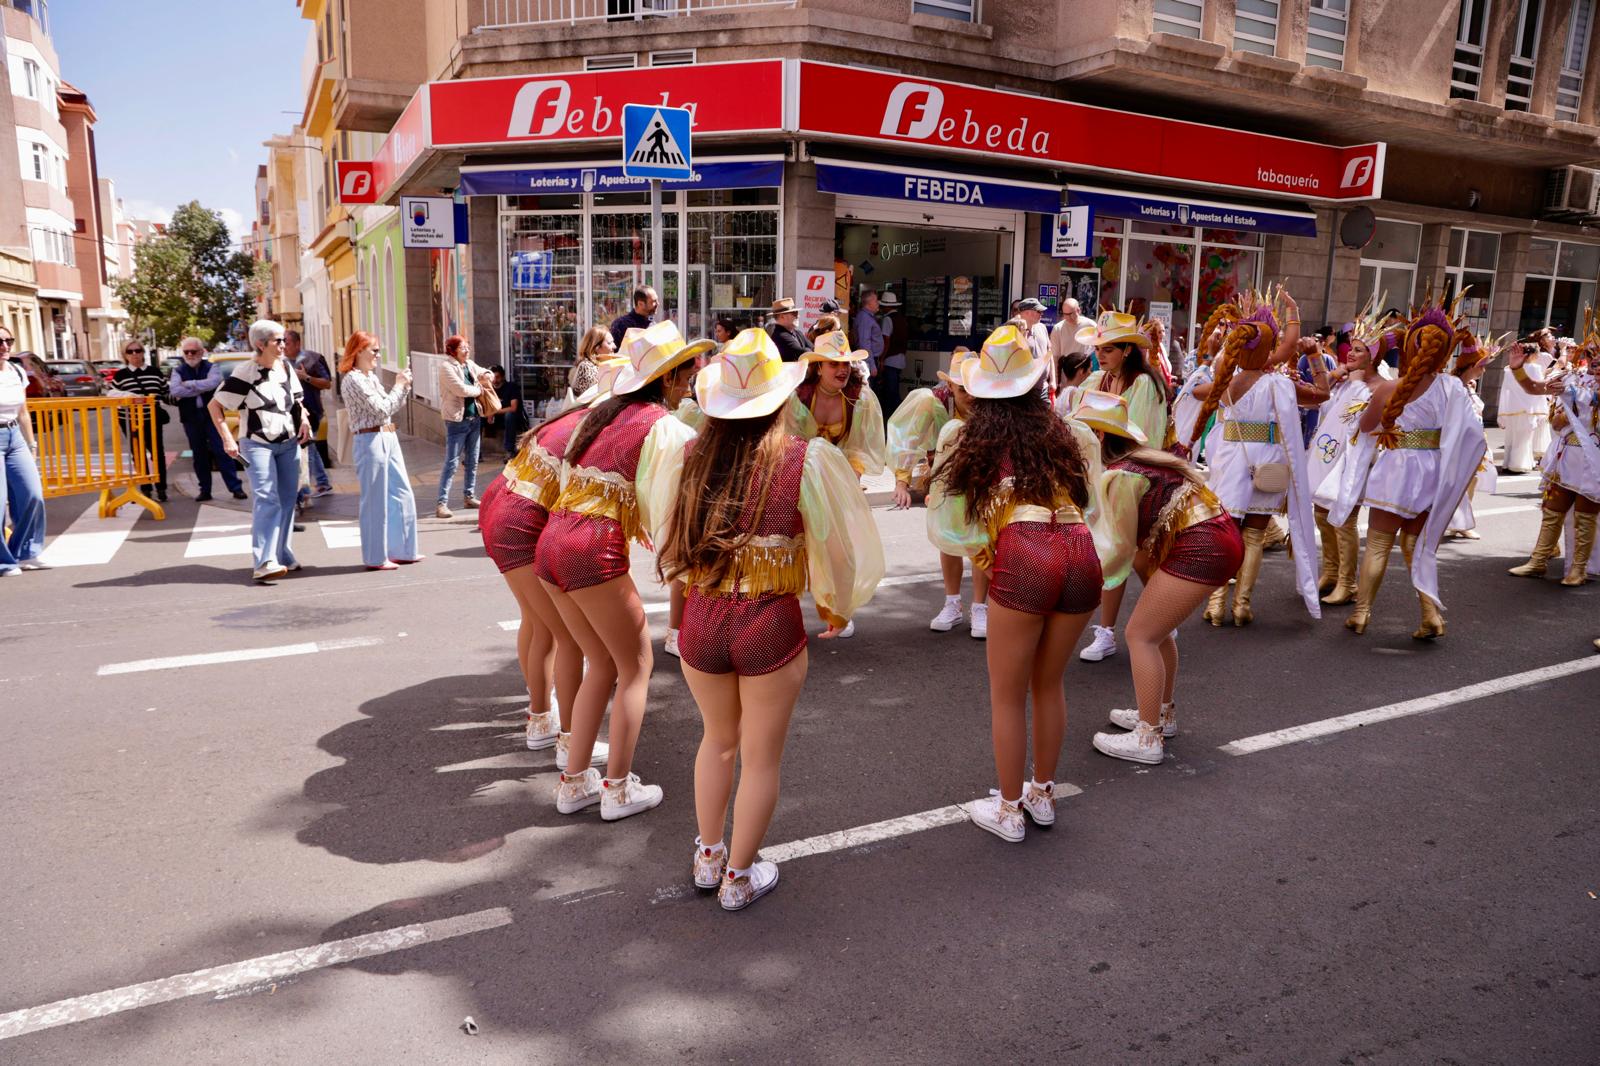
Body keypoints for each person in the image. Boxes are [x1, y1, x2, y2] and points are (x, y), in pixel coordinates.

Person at [661, 327, 883, 910]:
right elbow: (838, 549)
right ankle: (738, 876)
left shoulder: (687, 456)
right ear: (781, 399)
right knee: (760, 757)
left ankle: (708, 856)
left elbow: (673, 544)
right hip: (769, 622)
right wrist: (836, 607)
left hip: (704, 620)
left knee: (717, 741)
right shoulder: (807, 459)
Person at [928, 324, 1101, 843]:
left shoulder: (968, 439)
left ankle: (1008, 809)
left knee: (1007, 695)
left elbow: (951, 526)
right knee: (1049, 685)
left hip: (1025, 553)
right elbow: (1089, 502)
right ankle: (1042, 796)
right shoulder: (1067, 433)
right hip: (1079, 549)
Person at [535, 321, 698, 822]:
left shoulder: (601, 413)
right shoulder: (664, 425)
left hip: (553, 542)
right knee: (635, 668)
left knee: (600, 663)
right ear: (669, 378)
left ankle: (574, 782)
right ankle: (618, 788)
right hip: (591, 548)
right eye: (688, 370)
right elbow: (671, 500)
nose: (693, 379)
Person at [1078, 391, 1242, 765]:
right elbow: (1136, 550)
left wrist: (1075, 584)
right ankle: (1160, 714)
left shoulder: (1119, 474)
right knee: (1157, 631)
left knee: (1140, 635)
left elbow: (1116, 550)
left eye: (1079, 434)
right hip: (1217, 539)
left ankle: (1148, 737)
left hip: (1202, 546)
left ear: (1098, 437)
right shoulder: (1140, 462)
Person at [482, 355, 628, 766]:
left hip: (500, 507)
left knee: (537, 622)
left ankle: (539, 719)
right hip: (521, 522)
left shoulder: (567, 418)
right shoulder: (594, 426)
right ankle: (568, 738)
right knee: (567, 637)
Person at [1330, 300, 1487, 639]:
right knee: (1418, 545)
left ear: (1408, 346)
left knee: (1377, 544)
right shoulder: (1453, 388)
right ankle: (1431, 615)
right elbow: (1472, 433)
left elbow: (1367, 427)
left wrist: (1379, 423)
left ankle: (1361, 613)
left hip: (1395, 470)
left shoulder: (1388, 388)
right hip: (1432, 472)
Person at [1184, 291, 1325, 627]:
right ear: (1268, 350)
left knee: (1227, 534)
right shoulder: (1280, 385)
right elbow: (1322, 394)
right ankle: (1242, 606)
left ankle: (1216, 605)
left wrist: (1212, 358)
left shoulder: (1225, 384)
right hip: (1270, 464)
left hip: (1231, 461)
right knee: (1254, 536)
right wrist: (1314, 355)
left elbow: (1194, 391)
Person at [1072, 310, 1173, 661]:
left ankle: (1112, 631)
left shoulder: (1145, 384)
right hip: (1100, 476)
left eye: (1110, 348)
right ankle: (1126, 626)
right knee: (1120, 554)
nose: (1101, 355)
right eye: (1099, 348)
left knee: (1125, 554)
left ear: (1128, 350)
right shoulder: (1095, 381)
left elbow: (1140, 438)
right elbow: (1073, 418)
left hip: (1133, 478)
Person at [889, 348, 990, 637]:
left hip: (982, 476)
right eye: (962, 389)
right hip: (944, 480)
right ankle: (952, 603)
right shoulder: (933, 404)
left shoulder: (990, 404)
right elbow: (908, 438)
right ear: (949, 386)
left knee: (981, 539)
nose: (970, 395)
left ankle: (980, 607)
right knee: (947, 539)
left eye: (974, 388)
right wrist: (901, 481)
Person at [209, 320, 312, 584]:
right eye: (277, 341)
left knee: (289, 498)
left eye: (284, 340)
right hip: (257, 444)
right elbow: (215, 407)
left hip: (288, 443)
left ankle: (282, 554)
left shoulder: (285, 367)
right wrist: (227, 441)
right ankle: (264, 561)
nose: (283, 345)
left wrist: (304, 419)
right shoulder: (246, 372)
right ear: (260, 344)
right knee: (267, 499)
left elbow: (297, 401)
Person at [1504, 325, 1598, 586]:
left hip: (1595, 461)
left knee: (1585, 516)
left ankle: (1578, 569)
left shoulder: (1579, 387)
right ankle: (1538, 562)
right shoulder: (1574, 378)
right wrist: (1517, 369)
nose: (1595, 362)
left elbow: (1592, 399)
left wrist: (1572, 394)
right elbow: (1535, 388)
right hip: (1566, 456)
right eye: (1591, 355)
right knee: (1552, 510)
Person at [1309, 308, 1383, 607]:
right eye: (1350, 348)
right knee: (1321, 514)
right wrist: (1336, 374)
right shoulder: (1346, 382)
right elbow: (1321, 402)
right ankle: (1330, 571)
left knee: (1345, 520)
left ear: (1374, 356)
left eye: (1359, 350)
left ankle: (1347, 583)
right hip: (1329, 456)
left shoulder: (1379, 386)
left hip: (1355, 459)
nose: (1350, 354)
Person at [338, 331, 419, 572]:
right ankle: (375, 557)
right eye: (374, 350)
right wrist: (399, 385)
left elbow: (390, 407)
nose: (377, 355)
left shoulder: (369, 377)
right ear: (358, 351)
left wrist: (402, 387)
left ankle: (404, 550)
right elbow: (381, 408)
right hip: (370, 438)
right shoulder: (353, 379)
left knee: (401, 492)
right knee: (374, 501)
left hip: (387, 435)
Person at [787, 329, 887, 483]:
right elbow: (788, 444)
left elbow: (859, 447)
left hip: (842, 477)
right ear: (819, 368)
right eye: (834, 364)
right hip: (802, 478)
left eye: (846, 363)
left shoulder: (859, 399)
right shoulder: (799, 397)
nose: (842, 370)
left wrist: (852, 481)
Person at [168, 337, 247, 502]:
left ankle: (236, 488)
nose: (190, 355)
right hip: (190, 417)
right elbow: (175, 390)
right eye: (186, 352)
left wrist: (188, 384)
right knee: (199, 455)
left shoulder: (212, 367)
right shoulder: (178, 371)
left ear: (202, 351)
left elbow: (213, 383)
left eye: (193, 351)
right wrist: (199, 387)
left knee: (223, 451)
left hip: (213, 416)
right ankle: (205, 490)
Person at [0, 324, 47, 575]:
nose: (4, 346)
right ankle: (3, 560)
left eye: (8, 341)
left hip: (15, 435)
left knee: (32, 494)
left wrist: (32, 445)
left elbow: (24, 412)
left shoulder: (17, 371)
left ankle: (27, 551)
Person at [435, 334, 490, 519]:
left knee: (473, 461)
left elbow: (485, 372)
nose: (467, 350)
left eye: (468, 347)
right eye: (463, 347)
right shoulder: (446, 367)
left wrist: (487, 375)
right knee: (451, 463)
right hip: (456, 421)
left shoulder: (468, 364)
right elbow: (461, 389)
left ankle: (469, 496)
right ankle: (441, 503)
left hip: (474, 418)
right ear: (453, 350)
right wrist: (480, 389)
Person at [110, 338, 170, 503]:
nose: (135, 354)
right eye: (130, 351)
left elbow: (166, 393)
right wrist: (129, 396)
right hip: (129, 421)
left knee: (157, 454)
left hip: (152, 419)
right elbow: (111, 394)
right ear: (125, 355)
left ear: (143, 352)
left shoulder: (155, 372)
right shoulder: (120, 375)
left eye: (138, 350)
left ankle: (161, 488)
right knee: (138, 454)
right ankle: (145, 489)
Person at [285, 330, 333, 503]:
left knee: (306, 449)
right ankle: (322, 483)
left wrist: (306, 377)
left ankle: (304, 490)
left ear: (297, 344)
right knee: (308, 448)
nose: (283, 346)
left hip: (311, 411)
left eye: (287, 342)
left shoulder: (313, 359)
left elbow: (327, 383)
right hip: (290, 413)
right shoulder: (280, 362)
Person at [1497, 329, 1553, 472]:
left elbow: (1505, 391)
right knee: (1524, 438)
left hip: (1512, 408)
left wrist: (1502, 412)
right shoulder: (1534, 368)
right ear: (1532, 354)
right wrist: (1542, 410)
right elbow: (1537, 390)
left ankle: (1507, 462)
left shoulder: (1509, 370)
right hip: (1528, 408)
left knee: (1511, 437)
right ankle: (1518, 464)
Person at [877, 291, 909, 414]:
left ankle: (895, 414)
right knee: (893, 389)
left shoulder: (887, 320)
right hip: (900, 359)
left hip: (890, 359)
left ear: (886, 306)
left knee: (891, 391)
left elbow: (886, 341)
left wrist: (881, 359)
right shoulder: (902, 319)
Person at [570, 326, 615, 400]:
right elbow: (596, 399)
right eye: (609, 343)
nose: (614, 346)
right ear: (596, 347)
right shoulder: (587, 367)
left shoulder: (600, 363)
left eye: (613, 342)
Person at [1049, 298, 1092, 366]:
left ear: (1078, 310)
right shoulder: (1058, 329)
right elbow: (1055, 356)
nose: (1067, 317)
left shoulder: (1090, 325)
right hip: (1065, 372)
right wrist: (1056, 376)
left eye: (1070, 314)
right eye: (1065, 314)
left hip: (1085, 370)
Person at [765, 297, 809, 363]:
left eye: (796, 312)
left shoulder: (797, 333)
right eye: (794, 313)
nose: (798, 316)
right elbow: (803, 352)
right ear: (782, 316)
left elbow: (814, 348)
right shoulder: (780, 336)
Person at [852, 289, 884, 378]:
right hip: (868, 361)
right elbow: (864, 343)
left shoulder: (867, 317)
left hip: (870, 360)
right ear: (868, 303)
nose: (878, 303)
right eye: (876, 301)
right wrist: (872, 365)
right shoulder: (865, 318)